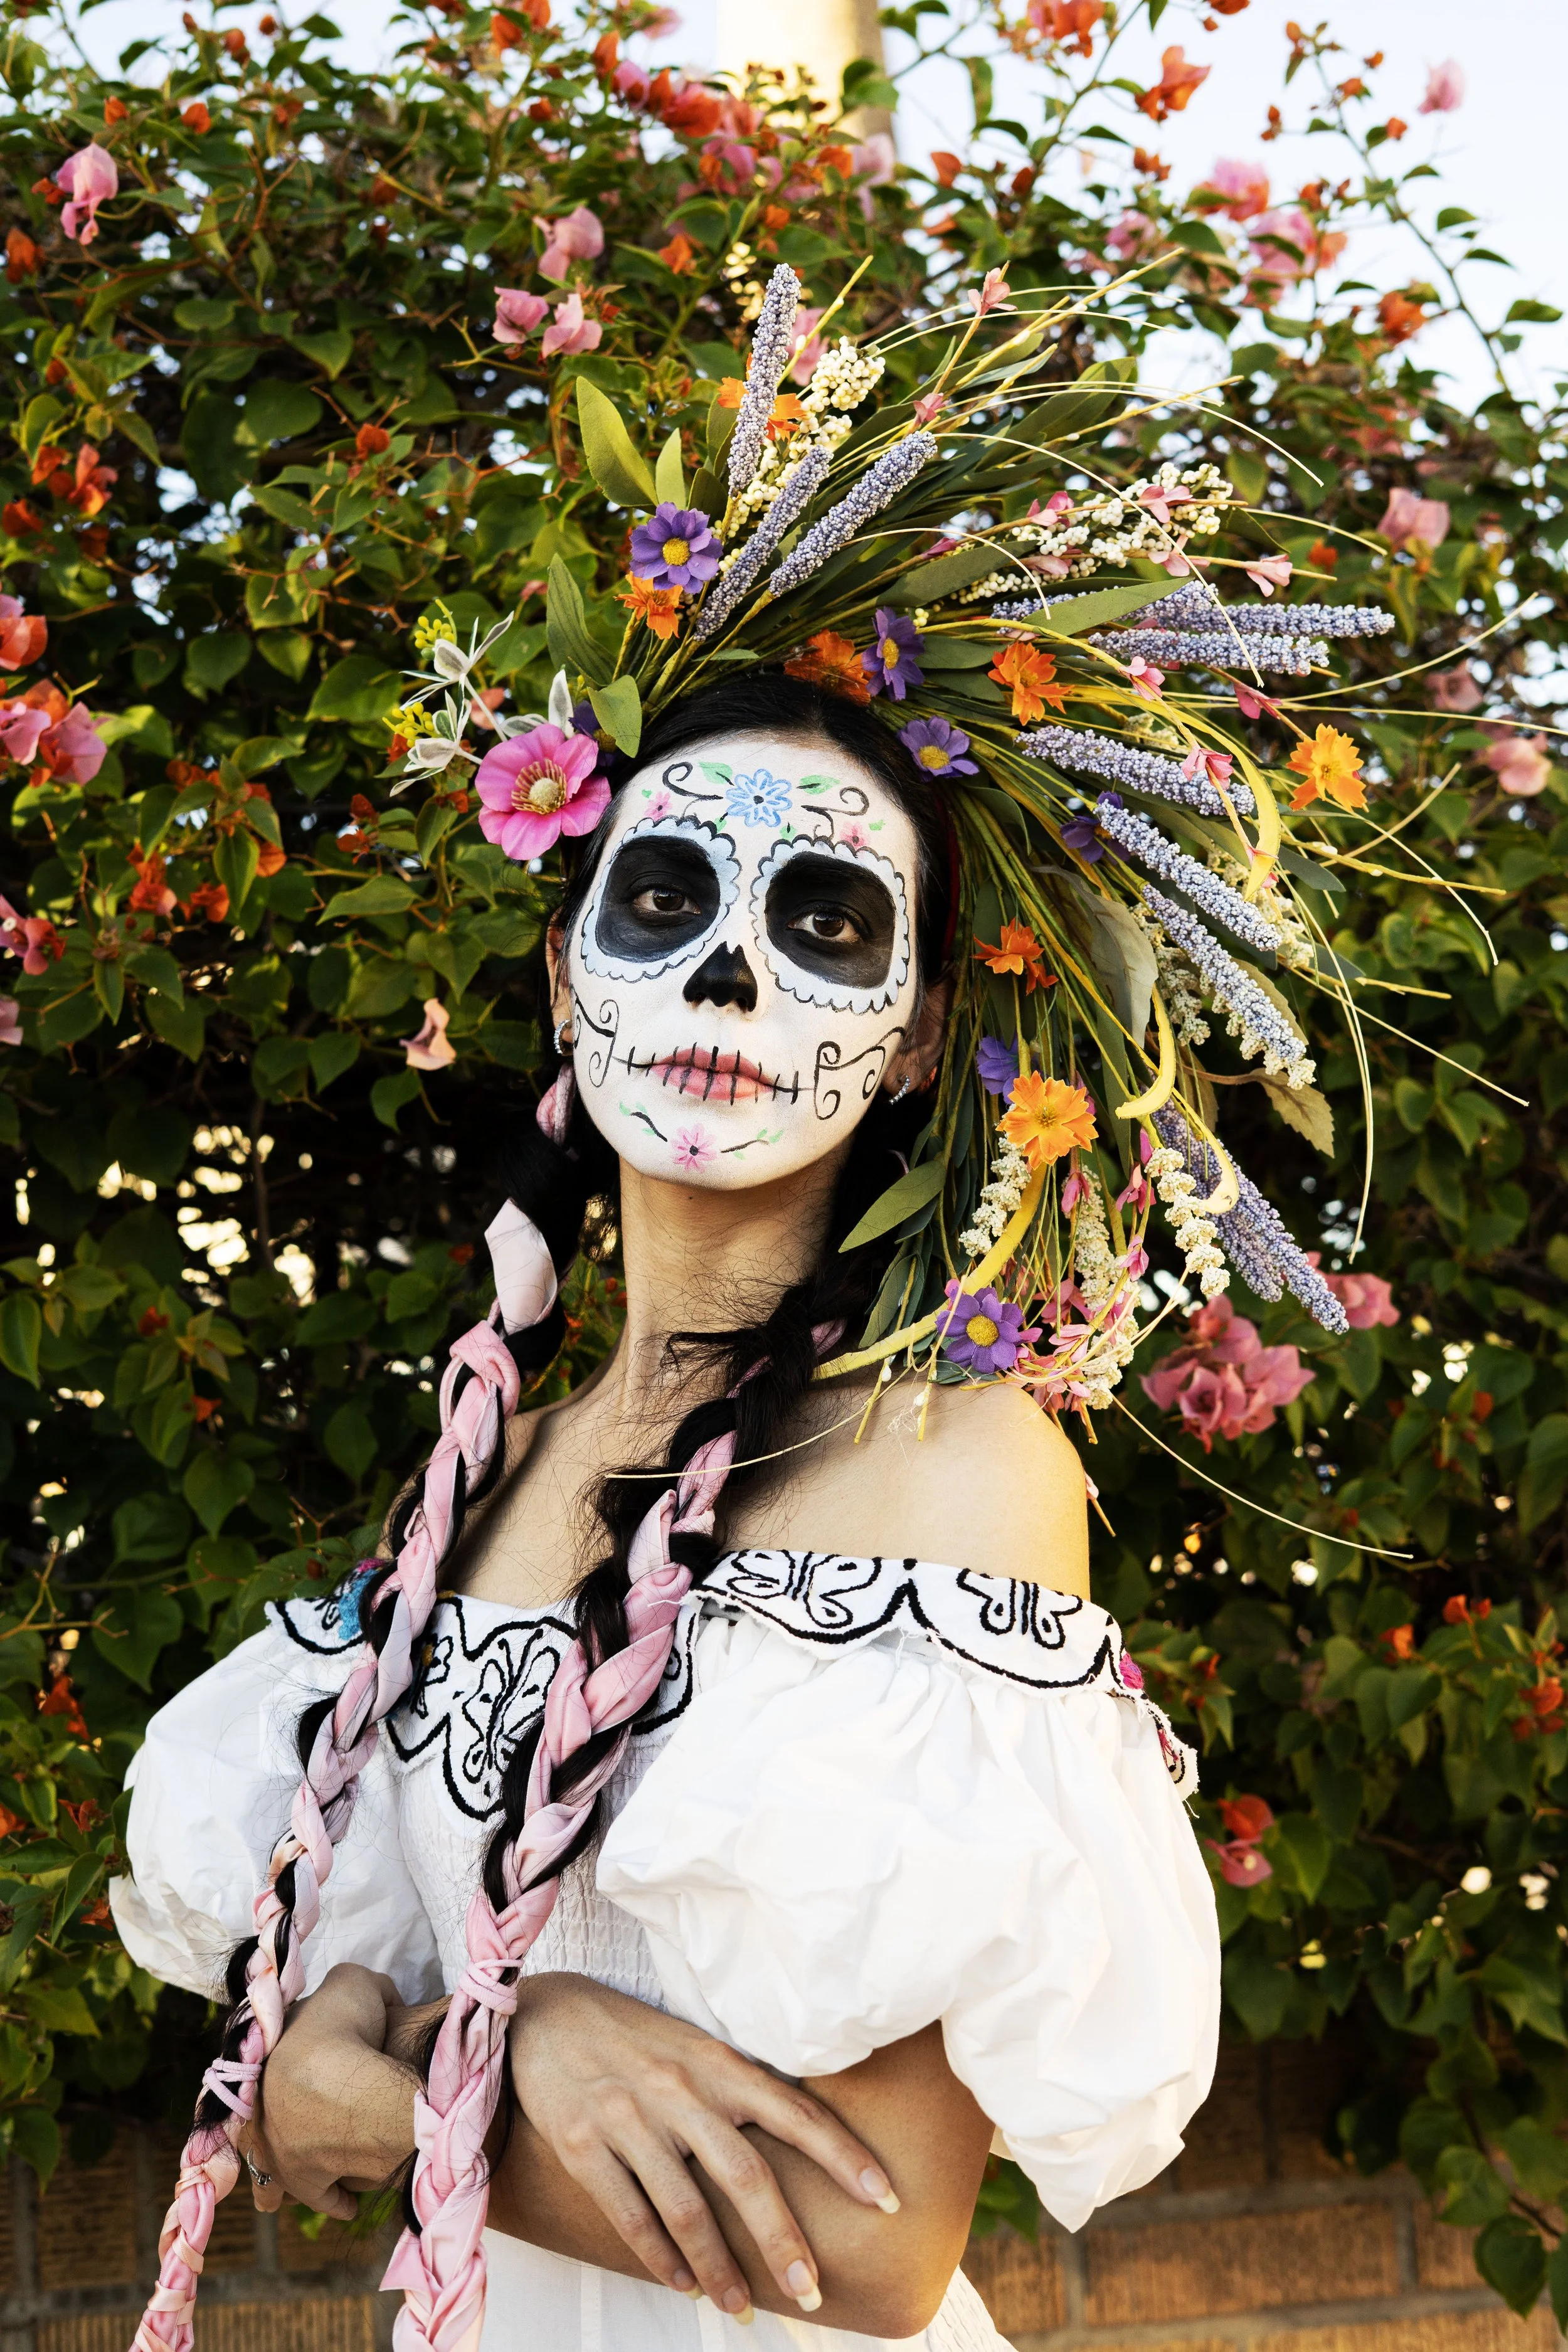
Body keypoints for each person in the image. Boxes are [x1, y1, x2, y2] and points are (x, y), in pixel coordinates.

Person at [116, 260, 1394, 2352]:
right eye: (664, 897)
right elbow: (294, 2044)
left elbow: (871, 2244)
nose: (726, 977)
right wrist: (460, 2045)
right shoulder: (497, 1471)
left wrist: (426, 2065)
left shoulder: (960, 1465)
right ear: (565, 978)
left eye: (823, 921)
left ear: (906, 1043)